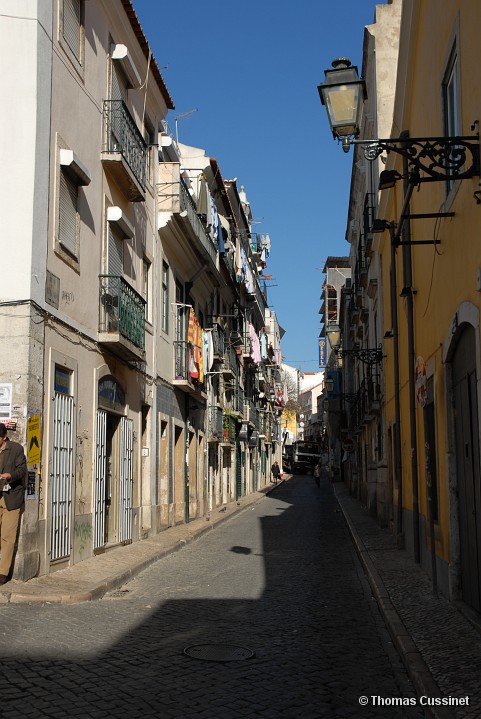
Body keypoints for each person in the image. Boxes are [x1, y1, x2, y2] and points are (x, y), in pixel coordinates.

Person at [0, 424, 27, 584]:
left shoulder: (16, 449)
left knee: (7, 537)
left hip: (11, 498)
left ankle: (3, 572)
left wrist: (11, 475)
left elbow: (23, 470)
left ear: (4, 438)